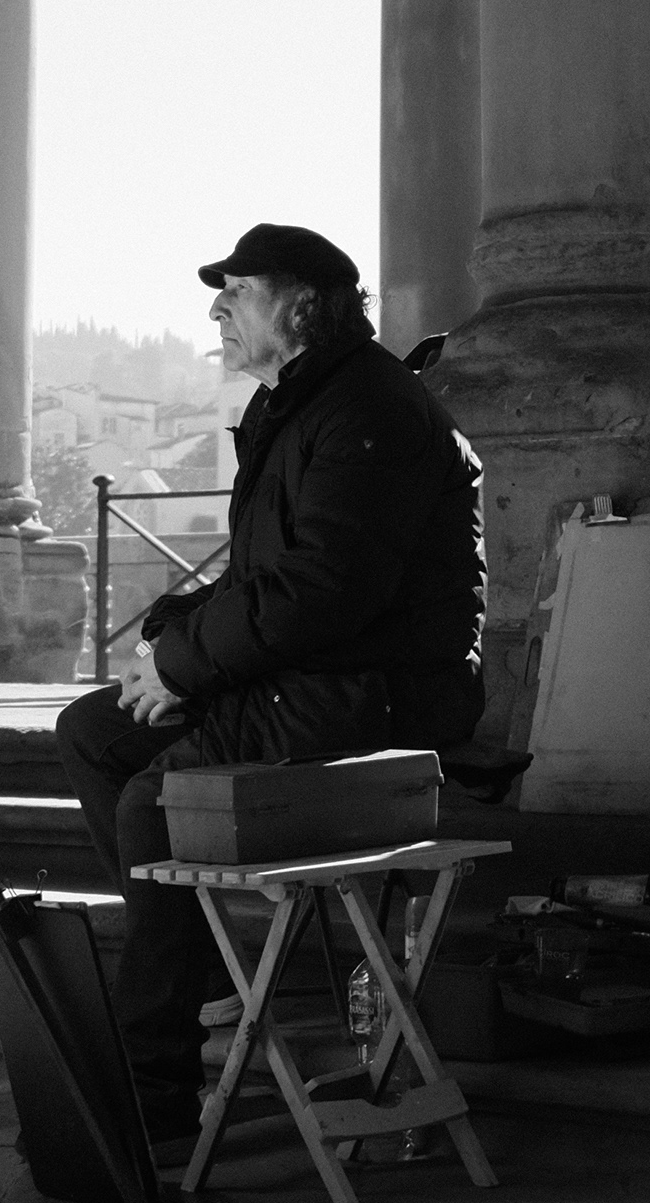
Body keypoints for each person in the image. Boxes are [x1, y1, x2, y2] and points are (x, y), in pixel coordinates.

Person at [55, 223, 486, 1146]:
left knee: (152, 803)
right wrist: (167, 644)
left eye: (237, 291)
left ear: (300, 305)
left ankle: (153, 1094)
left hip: (372, 700)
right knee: (94, 730)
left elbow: (321, 594)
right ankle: (210, 976)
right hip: (312, 678)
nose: (216, 308)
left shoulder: (367, 410)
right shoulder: (304, 405)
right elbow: (267, 580)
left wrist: (184, 665)